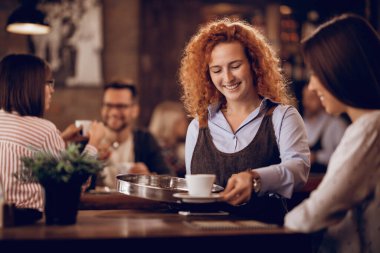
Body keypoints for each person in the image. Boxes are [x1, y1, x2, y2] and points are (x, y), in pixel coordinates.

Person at [179, 18, 310, 224]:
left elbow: (298, 170)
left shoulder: (282, 117)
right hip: (205, 238)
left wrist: (256, 178)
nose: (228, 78)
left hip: (264, 239)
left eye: (235, 65)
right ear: (207, 75)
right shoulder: (198, 126)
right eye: (217, 70)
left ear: (253, 65)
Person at [284, 14, 380, 253]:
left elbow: (315, 212)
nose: (313, 86)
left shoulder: (370, 128)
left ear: (341, 69)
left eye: (316, 73)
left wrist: (272, 234)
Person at [0, 54, 105, 223]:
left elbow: (22, 153)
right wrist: (94, 143)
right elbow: (72, 187)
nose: (52, 90)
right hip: (33, 225)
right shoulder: (44, 130)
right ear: (31, 86)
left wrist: (61, 140)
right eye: (49, 83)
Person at [99, 81, 172, 189]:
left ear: (135, 110)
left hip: (133, 205)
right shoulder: (90, 141)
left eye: (121, 106)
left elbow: (169, 179)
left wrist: (149, 178)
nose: (114, 112)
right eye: (108, 105)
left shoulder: (145, 140)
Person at [302, 85, 347, 173]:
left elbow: (344, 156)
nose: (306, 103)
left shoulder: (336, 124)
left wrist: (316, 157)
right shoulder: (302, 123)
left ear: (322, 98)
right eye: (305, 98)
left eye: (311, 98)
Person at [149, 101, 189, 177]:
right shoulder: (161, 147)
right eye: (181, 121)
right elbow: (182, 171)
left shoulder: (172, 146)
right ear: (171, 123)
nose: (186, 124)